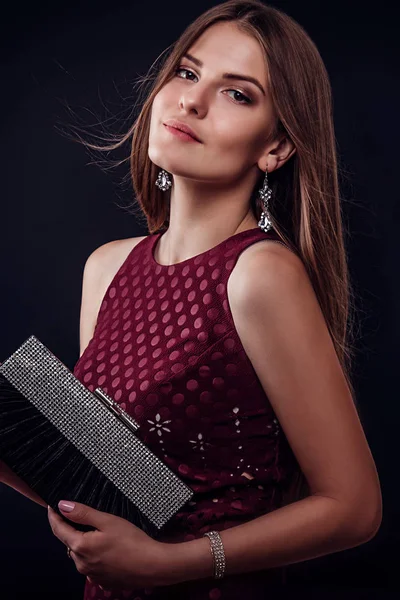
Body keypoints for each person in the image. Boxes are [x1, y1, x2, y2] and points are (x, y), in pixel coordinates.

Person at [1, 1, 382, 599]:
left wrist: (165, 565)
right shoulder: (106, 266)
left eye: (238, 94)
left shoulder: (260, 273)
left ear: (276, 149)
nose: (192, 101)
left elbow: (354, 507)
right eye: (186, 72)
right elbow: (123, 474)